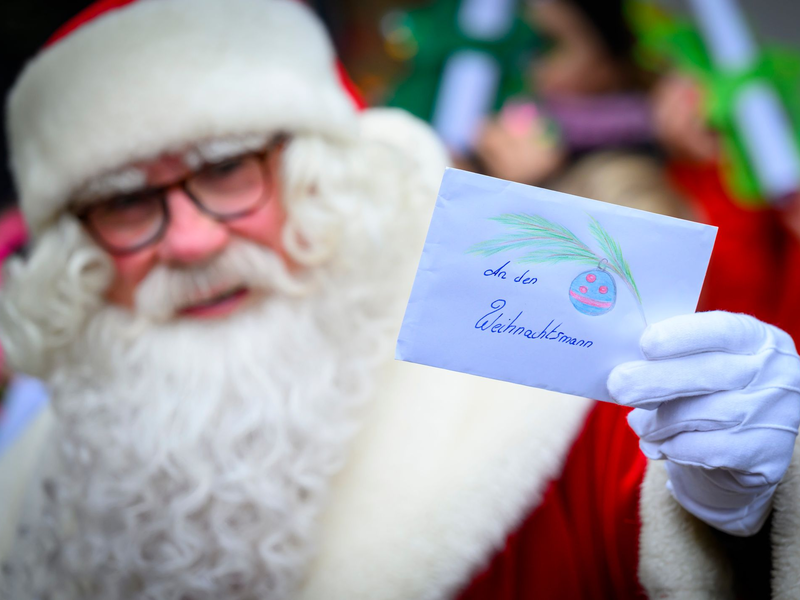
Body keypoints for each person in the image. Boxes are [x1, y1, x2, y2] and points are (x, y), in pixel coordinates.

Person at [1, 1, 799, 599]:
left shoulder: (525, 397)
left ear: (321, 178)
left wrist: (733, 505)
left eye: (224, 171)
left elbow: (647, 516)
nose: (189, 241)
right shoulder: (29, 481)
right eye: (124, 204)